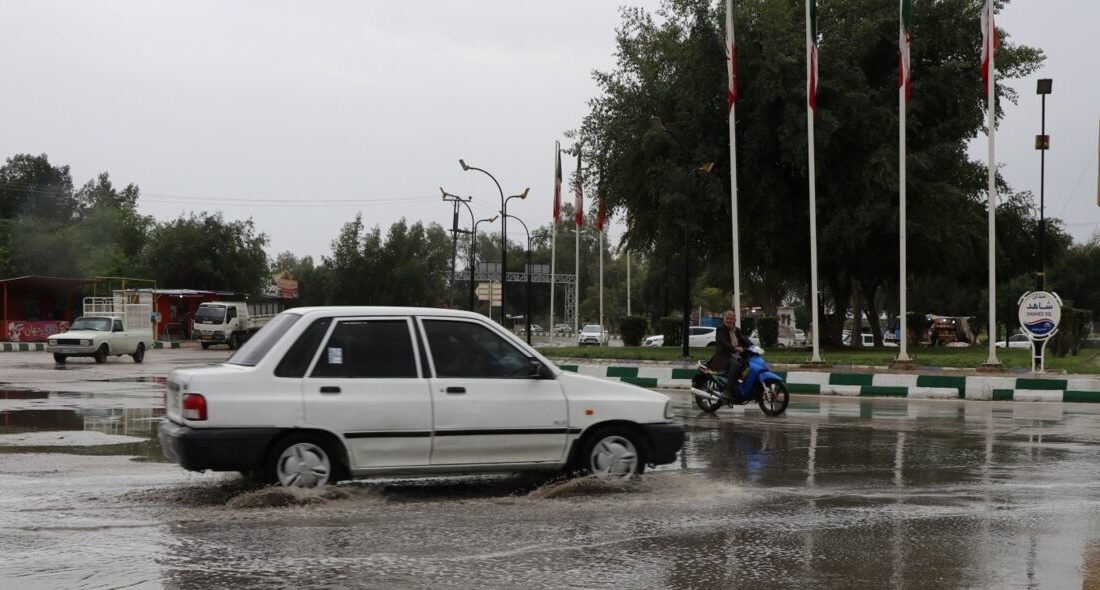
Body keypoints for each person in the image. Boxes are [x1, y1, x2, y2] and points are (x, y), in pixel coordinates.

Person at [712, 310, 753, 402]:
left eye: (731, 319)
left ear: (735, 320)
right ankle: (727, 391)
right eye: (727, 318)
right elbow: (724, 343)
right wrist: (735, 348)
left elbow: (745, 340)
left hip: (736, 355)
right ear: (724, 319)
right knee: (736, 365)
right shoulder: (720, 329)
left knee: (749, 364)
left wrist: (754, 347)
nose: (729, 320)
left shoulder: (737, 330)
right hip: (724, 356)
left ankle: (740, 387)